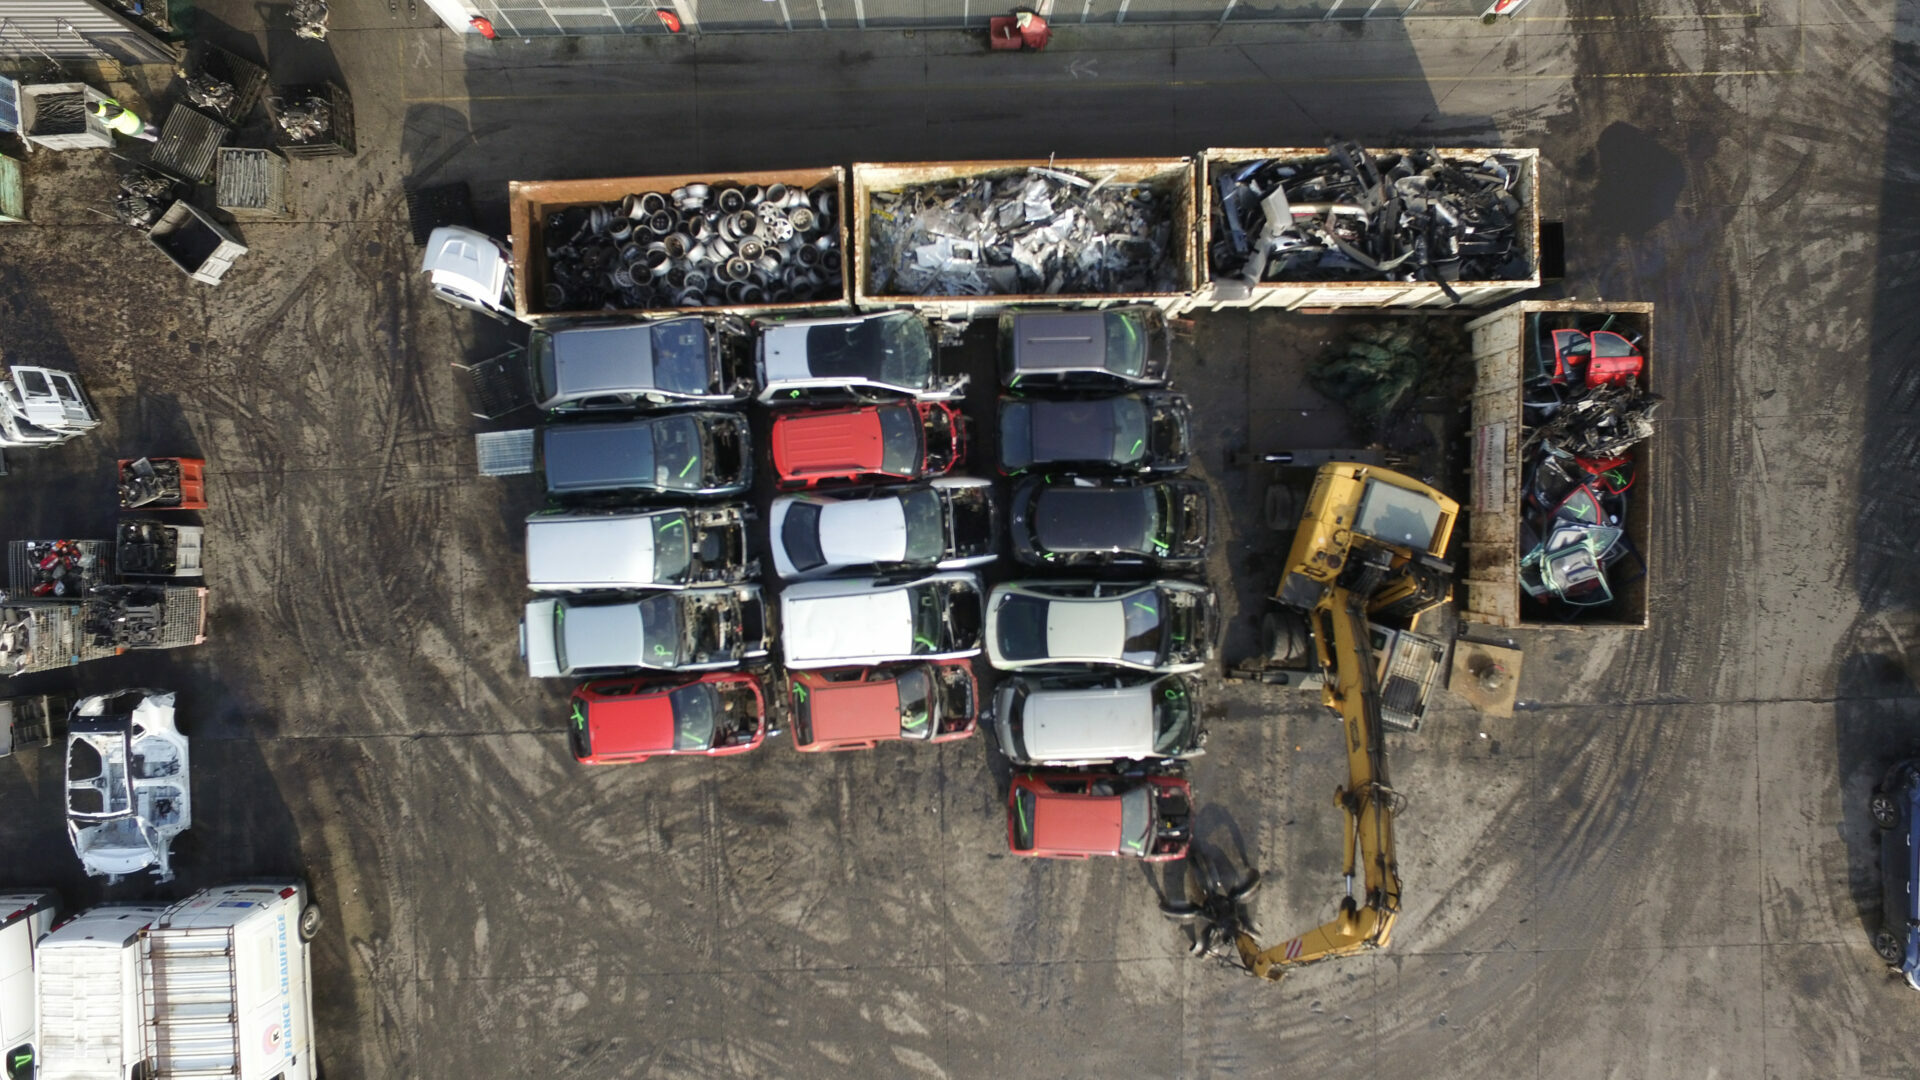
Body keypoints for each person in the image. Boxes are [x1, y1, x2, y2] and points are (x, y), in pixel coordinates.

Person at [90, 98, 158, 143]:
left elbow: (110, 126)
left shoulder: (102, 118)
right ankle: (156, 130)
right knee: (146, 125)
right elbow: (115, 101)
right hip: (134, 120)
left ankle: (155, 139)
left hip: (129, 129)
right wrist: (100, 102)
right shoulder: (107, 102)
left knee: (143, 135)